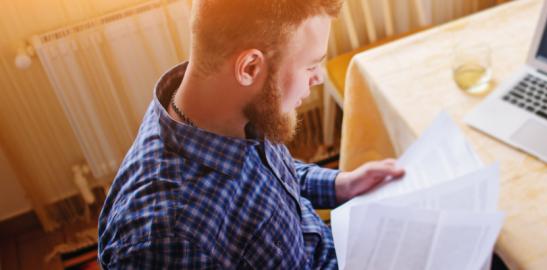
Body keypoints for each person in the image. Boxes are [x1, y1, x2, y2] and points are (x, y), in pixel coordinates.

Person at [97, 0, 405, 268]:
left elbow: (269, 177)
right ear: (249, 68)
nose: (319, 78)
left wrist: (340, 186)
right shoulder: (169, 239)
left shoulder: (234, 107)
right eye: (310, 66)